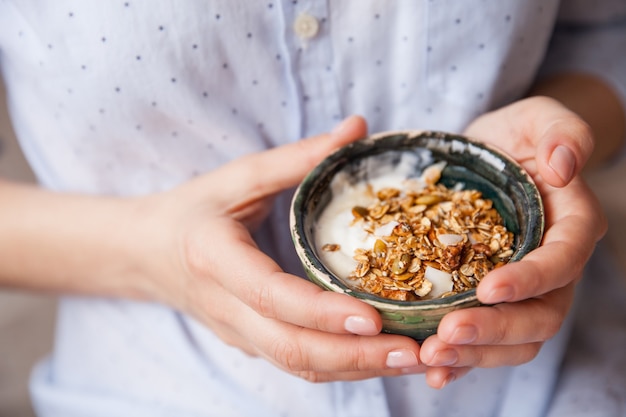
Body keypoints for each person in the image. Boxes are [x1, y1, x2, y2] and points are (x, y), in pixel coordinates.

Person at [0, 1, 624, 416]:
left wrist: (551, 152)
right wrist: (152, 254)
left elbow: (602, 35)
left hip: (549, 381)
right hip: (158, 385)